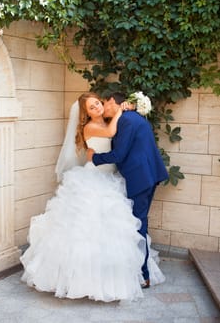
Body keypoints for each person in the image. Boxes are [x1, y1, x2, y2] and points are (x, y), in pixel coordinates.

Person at [20, 92, 165, 302]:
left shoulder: (112, 119)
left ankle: (125, 274)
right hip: (95, 178)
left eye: (98, 103)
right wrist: (120, 110)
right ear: (85, 114)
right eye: (92, 107)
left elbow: (116, 138)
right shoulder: (93, 127)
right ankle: (84, 280)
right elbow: (110, 131)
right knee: (88, 230)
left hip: (111, 178)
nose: (97, 107)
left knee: (120, 228)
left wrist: (123, 109)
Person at [87, 92, 169, 289]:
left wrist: (94, 158)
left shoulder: (127, 121)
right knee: (137, 222)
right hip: (147, 176)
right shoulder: (130, 117)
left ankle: (143, 275)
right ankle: (138, 271)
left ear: (112, 101)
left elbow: (119, 154)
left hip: (140, 179)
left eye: (103, 103)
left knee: (138, 224)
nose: (103, 109)